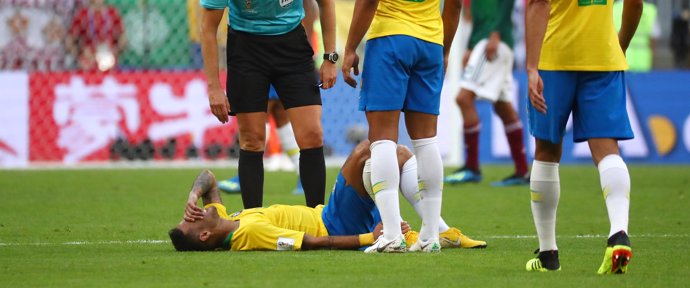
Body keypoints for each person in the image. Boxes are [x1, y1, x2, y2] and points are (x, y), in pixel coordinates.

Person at [523, 0, 645, 273]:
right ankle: (618, 233)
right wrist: (620, 43)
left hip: (555, 56)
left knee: (546, 150)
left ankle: (549, 252)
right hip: (603, 54)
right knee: (606, 148)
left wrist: (532, 65)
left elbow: (538, 0)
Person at [342, 0, 464, 253]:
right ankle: (429, 235)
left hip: (390, 39)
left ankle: (392, 234)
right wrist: (444, 48)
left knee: (381, 141)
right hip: (430, 40)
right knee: (427, 141)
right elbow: (456, 1)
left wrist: (348, 48)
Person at [200, 0, 337, 210]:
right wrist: (214, 87)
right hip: (246, 51)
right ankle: (253, 219)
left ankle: (318, 218)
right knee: (251, 140)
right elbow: (208, 29)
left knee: (312, 135)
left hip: (292, 48)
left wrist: (329, 57)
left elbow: (326, 1)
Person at [168, 140, 487, 252]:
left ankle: (430, 232)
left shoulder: (223, 220)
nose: (190, 215)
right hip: (333, 223)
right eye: (189, 222)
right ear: (204, 234)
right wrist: (366, 237)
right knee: (369, 151)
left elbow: (209, 179)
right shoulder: (248, 233)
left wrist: (194, 194)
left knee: (388, 157)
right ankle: (435, 231)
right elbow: (310, 243)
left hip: (332, 215)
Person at [217, 0, 318, 196]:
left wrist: (309, 44)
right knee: (271, 112)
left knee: (278, 110)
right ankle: (265, 169)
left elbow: (311, 4)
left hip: (290, 46)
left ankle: (293, 172)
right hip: (253, 48)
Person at [444, 0, 529, 187]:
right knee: (503, 106)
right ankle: (521, 170)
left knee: (463, 97)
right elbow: (477, 9)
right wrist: (470, 44)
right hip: (483, 37)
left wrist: (494, 34)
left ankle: (472, 167)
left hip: (495, 38)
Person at [66, 0, 127, 72]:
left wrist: (116, 51)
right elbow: (70, 40)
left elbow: (122, 36)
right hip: (88, 59)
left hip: (108, 57)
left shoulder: (113, 13)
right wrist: (79, 55)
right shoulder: (82, 14)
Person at [613, 0, 660, 71]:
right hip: (643, 61)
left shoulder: (614, 8)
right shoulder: (650, 10)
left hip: (622, 61)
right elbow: (653, 38)